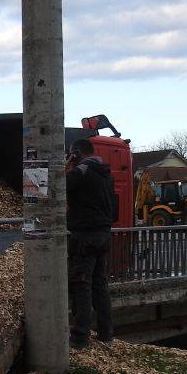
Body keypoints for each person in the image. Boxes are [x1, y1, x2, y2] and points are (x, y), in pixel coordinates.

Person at [65, 138, 115, 349]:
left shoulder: (81, 172)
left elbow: (58, 189)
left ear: (76, 153)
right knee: (99, 284)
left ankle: (80, 337)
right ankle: (106, 333)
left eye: (71, 154)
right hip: (103, 234)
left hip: (85, 236)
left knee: (81, 283)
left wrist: (67, 166)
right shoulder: (105, 173)